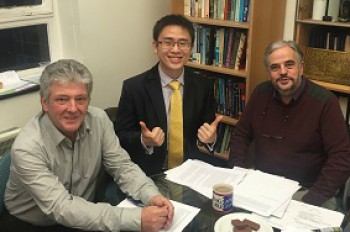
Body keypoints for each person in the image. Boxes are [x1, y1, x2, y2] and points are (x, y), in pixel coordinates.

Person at [0, 59, 174, 232]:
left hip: (84, 212)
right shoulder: (27, 147)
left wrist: (151, 195)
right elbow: (61, 208)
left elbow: (122, 167)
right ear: (44, 102)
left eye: (80, 99)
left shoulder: (99, 120)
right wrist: (137, 219)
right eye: (62, 99)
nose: (73, 108)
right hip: (31, 222)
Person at [228, 40, 350, 209]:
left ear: (301, 67)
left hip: (307, 192)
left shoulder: (325, 102)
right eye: (275, 67)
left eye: (289, 65)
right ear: (268, 72)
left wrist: (311, 200)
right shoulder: (260, 93)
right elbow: (241, 134)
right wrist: (238, 173)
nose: (283, 72)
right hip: (261, 185)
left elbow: (342, 156)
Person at [115, 14, 225, 176]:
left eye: (183, 43)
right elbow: (120, 135)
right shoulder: (134, 87)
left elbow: (209, 129)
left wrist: (211, 139)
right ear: (155, 46)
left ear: (191, 48)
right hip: (148, 174)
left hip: (189, 172)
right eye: (167, 42)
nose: (175, 49)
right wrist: (144, 140)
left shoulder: (203, 85)